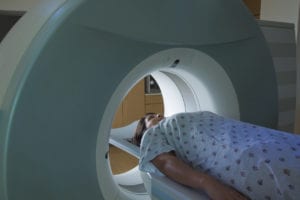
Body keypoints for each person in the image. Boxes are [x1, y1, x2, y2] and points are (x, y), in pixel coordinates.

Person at [132, 111, 300, 200]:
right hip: (244, 155)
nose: (158, 115)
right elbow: (164, 162)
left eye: (156, 113)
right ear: (145, 131)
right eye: (151, 118)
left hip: (252, 136)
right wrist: (206, 182)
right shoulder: (153, 133)